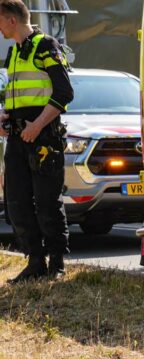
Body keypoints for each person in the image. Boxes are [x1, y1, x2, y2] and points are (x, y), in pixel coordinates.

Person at [0, 0, 73, 282]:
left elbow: (64, 93)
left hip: (43, 137)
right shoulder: (15, 52)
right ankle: (34, 261)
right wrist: (6, 118)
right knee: (17, 202)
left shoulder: (46, 46)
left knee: (46, 201)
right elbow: (17, 95)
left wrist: (37, 126)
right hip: (18, 139)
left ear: (11, 20)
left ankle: (56, 263)